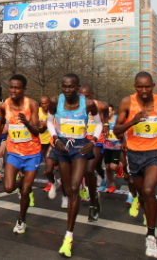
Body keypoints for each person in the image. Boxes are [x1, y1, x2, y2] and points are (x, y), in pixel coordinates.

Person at [114, 71, 157, 258]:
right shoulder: (127, 103)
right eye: (139, 87)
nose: (143, 90)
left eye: (147, 86)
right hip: (134, 154)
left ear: (153, 86)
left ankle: (151, 236)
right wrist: (133, 122)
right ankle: (148, 214)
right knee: (143, 197)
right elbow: (116, 131)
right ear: (135, 87)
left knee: (148, 191)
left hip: (155, 152)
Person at [46, 73, 101, 258]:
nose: (67, 90)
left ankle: (68, 236)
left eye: (71, 87)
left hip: (80, 147)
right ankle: (81, 199)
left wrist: (93, 141)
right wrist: (54, 138)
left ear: (78, 88)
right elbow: (48, 121)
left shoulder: (89, 104)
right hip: (62, 146)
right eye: (64, 86)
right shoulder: (55, 101)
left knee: (75, 187)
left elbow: (99, 124)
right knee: (69, 190)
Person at [0, 74, 41, 234]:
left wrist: (26, 122)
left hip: (32, 152)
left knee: (26, 191)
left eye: (17, 87)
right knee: (8, 188)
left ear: (24, 89)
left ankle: (21, 220)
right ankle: (21, 180)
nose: (13, 90)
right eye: (11, 87)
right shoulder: (5, 105)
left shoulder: (32, 105)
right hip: (14, 151)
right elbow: (1, 121)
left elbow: (36, 131)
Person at [77, 84, 109, 219]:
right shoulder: (75, 105)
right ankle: (93, 193)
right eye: (82, 96)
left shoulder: (98, 105)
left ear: (92, 95)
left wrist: (106, 123)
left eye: (87, 96)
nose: (85, 99)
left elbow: (106, 108)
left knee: (90, 170)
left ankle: (93, 203)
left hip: (96, 140)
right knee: (84, 171)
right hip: (81, 141)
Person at [102, 105, 122, 193]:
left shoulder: (118, 119)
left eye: (109, 112)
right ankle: (112, 185)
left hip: (117, 147)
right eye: (106, 112)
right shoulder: (103, 121)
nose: (107, 114)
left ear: (113, 112)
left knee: (113, 167)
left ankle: (119, 166)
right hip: (107, 147)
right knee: (107, 167)